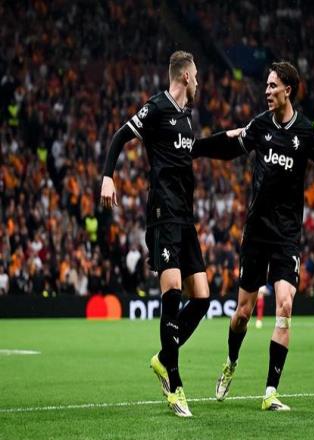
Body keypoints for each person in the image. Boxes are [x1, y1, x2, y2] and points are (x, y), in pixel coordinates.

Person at [193, 61, 314, 410]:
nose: (267, 91)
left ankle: (270, 391)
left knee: (285, 305)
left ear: (288, 89)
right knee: (243, 313)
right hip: (256, 232)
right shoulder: (260, 125)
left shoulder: (306, 133)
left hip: (287, 235)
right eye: (266, 86)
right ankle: (231, 362)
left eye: (273, 86)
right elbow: (229, 147)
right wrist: (193, 148)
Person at [101, 51, 214, 418]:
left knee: (202, 297)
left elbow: (193, 153)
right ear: (185, 76)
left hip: (186, 217)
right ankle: (175, 385)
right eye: (196, 76)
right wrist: (107, 176)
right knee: (173, 291)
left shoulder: (186, 118)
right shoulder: (157, 108)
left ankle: (164, 357)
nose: (198, 83)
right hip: (163, 214)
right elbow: (120, 135)